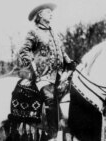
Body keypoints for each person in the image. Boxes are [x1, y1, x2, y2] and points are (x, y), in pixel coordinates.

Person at [18, 3, 74, 139]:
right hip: (43, 77)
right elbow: (24, 51)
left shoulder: (54, 32)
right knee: (50, 99)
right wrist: (33, 66)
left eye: (51, 12)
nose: (51, 14)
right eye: (48, 12)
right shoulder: (33, 32)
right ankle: (52, 134)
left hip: (58, 76)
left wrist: (69, 62)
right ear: (40, 15)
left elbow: (61, 50)